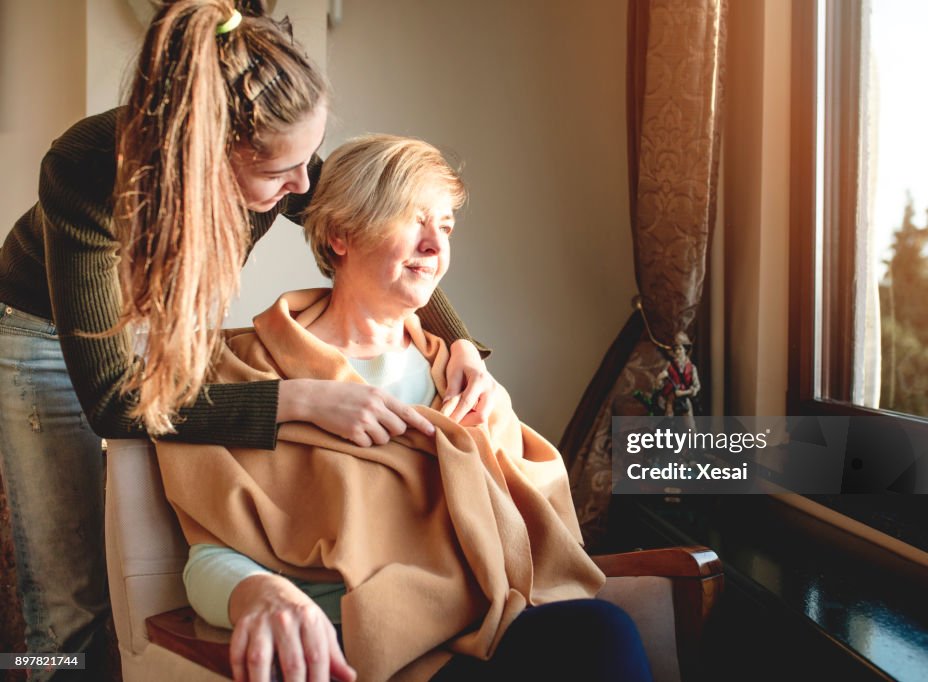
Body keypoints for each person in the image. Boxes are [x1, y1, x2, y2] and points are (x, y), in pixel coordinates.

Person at [0, 2, 493, 676]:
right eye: (277, 176)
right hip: (43, 334)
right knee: (69, 599)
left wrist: (457, 340)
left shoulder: (278, 150)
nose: (302, 189)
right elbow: (117, 401)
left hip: (163, 321)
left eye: (305, 161)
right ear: (202, 157)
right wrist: (298, 400)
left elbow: (371, 227)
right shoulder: (84, 173)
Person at [157, 135, 653, 682]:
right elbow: (209, 555)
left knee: (602, 633)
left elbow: (537, 538)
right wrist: (259, 592)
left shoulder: (461, 377)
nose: (435, 247)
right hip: (355, 647)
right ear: (341, 234)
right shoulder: (245, 373)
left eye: (445, 227)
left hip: (484, 626)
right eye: (412, 220)